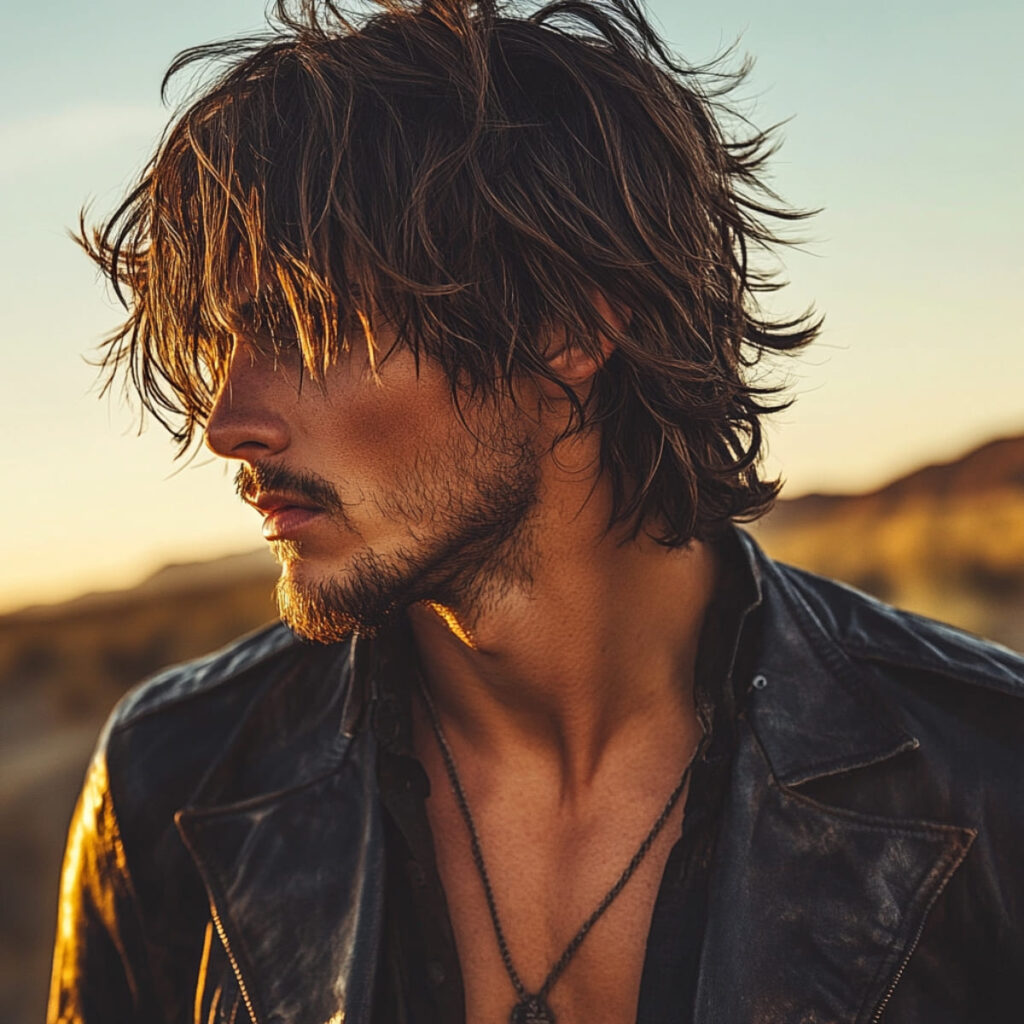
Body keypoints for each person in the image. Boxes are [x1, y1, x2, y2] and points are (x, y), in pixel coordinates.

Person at [47, 0, 1024, 1021]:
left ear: (566, 330)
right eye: (218, 345)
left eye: (303, 328)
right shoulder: (175, 781)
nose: (228, 423)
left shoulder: (982, 774)